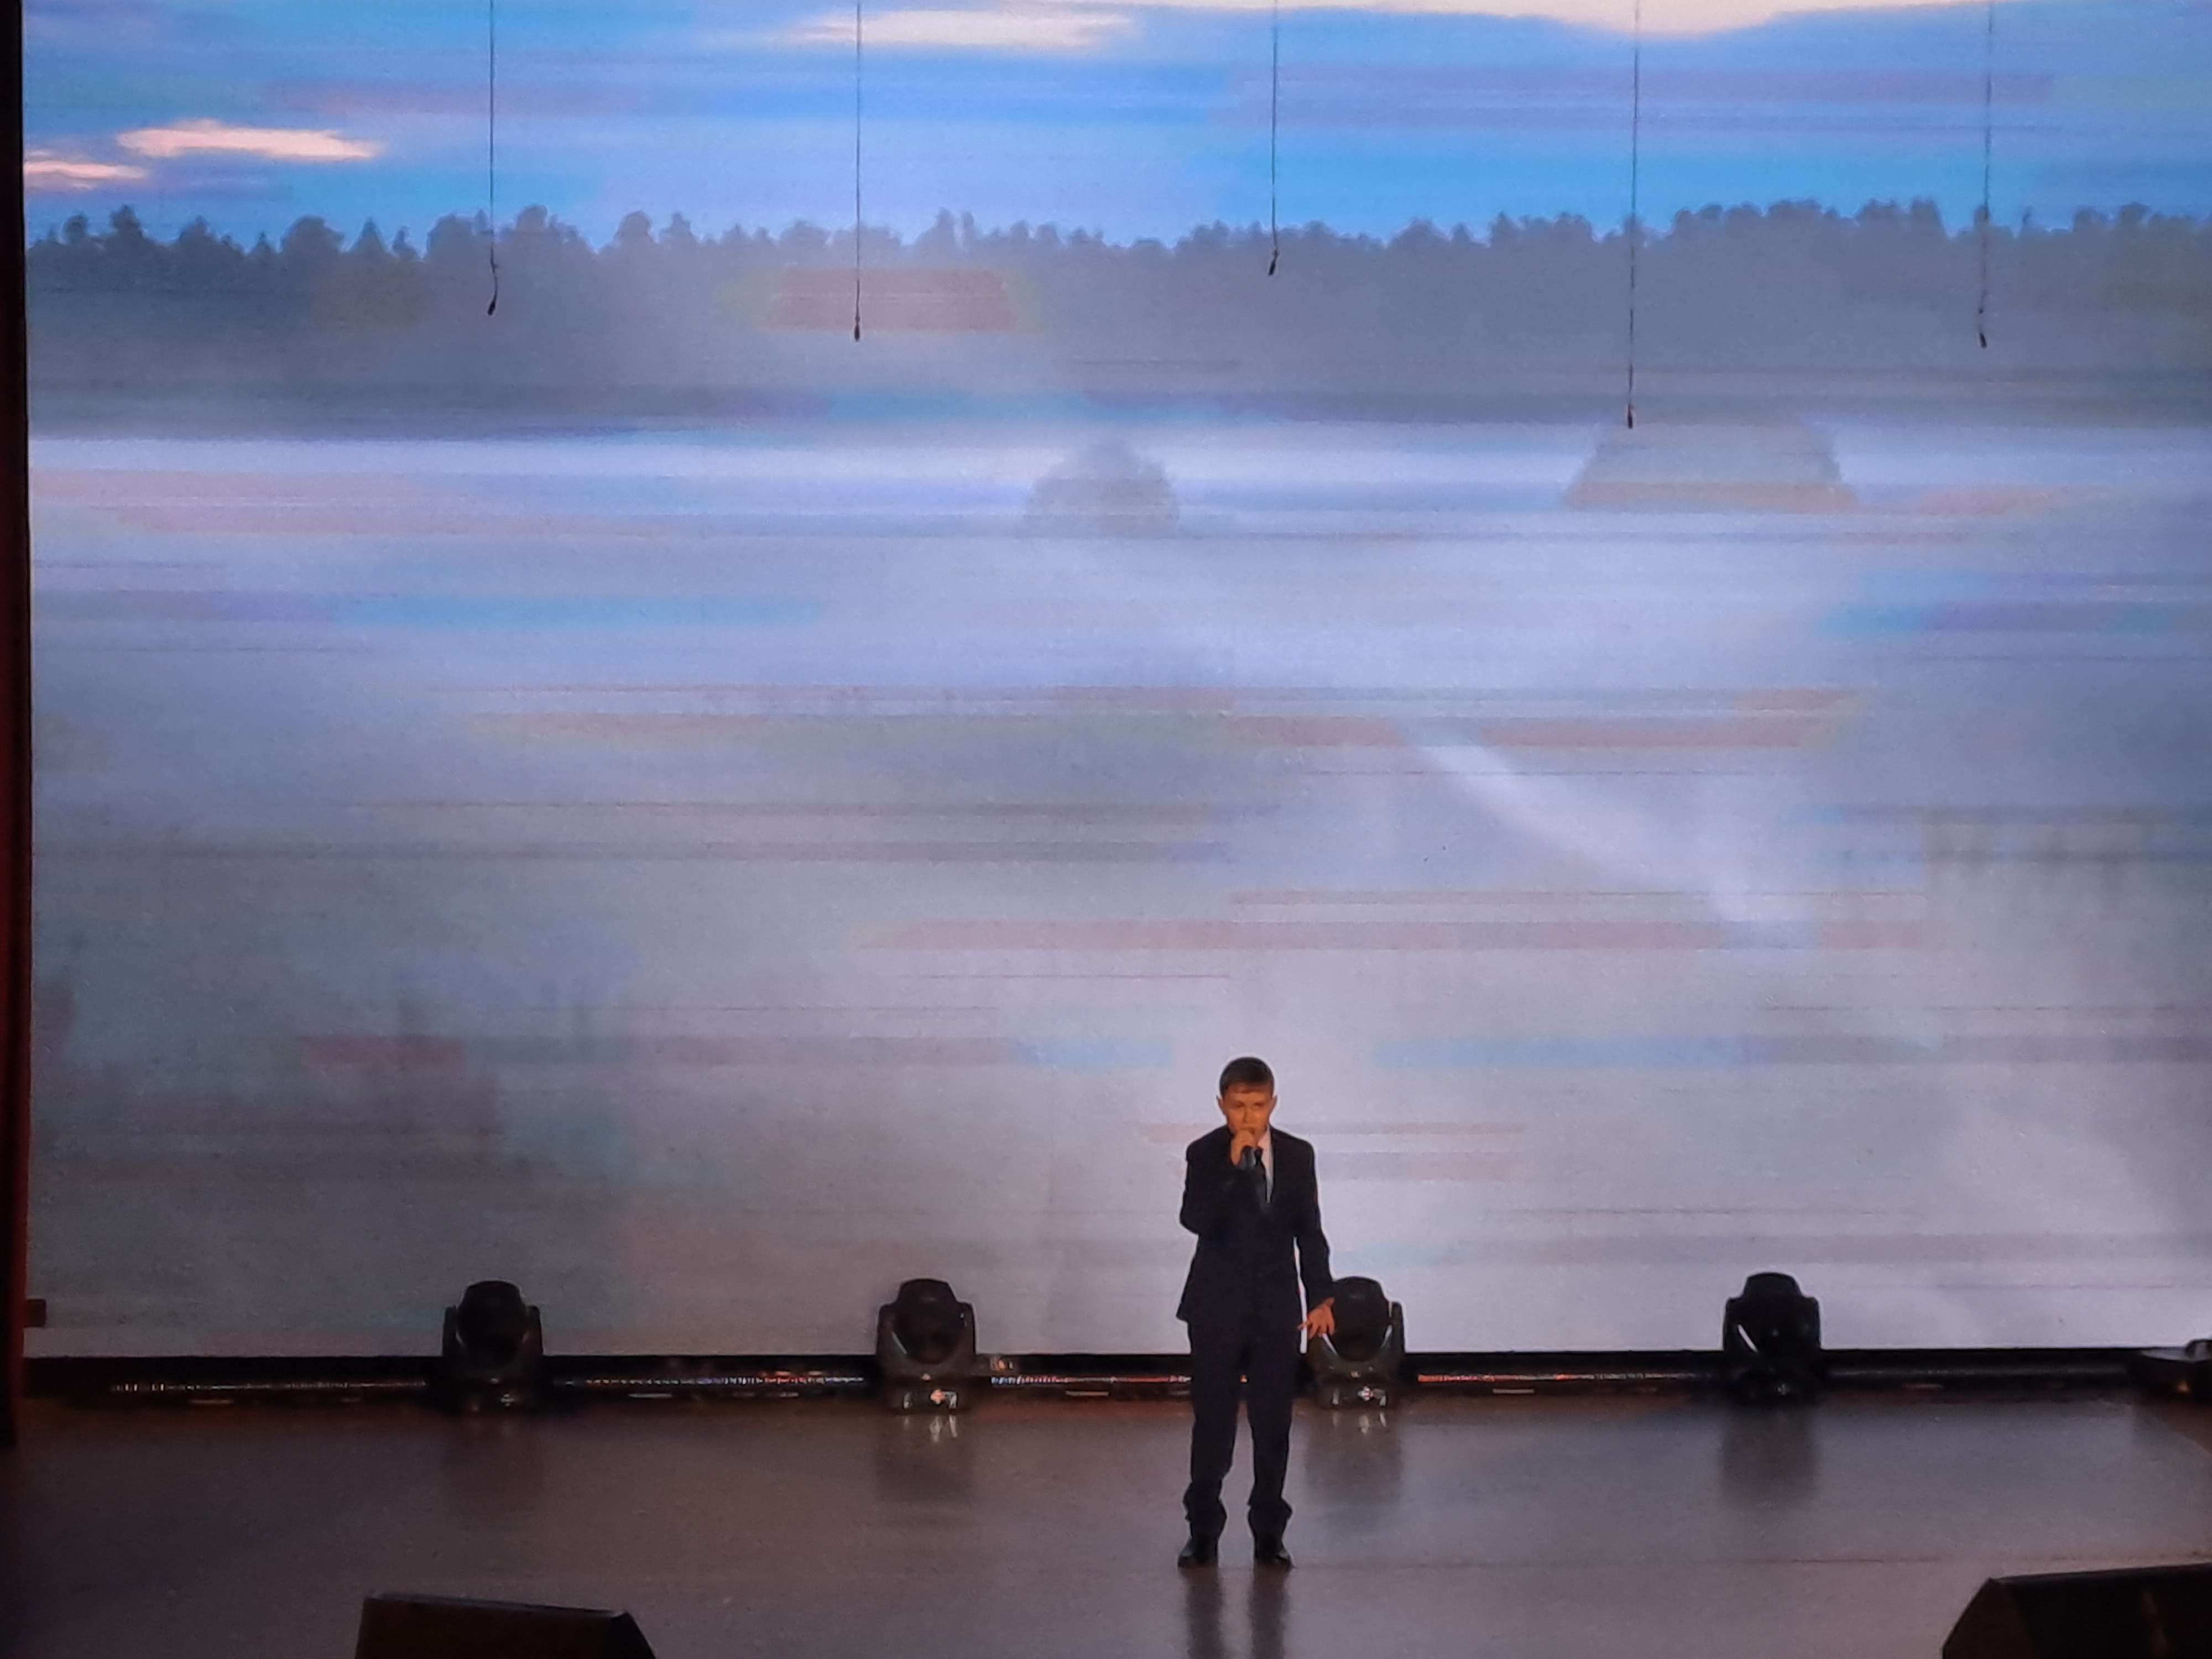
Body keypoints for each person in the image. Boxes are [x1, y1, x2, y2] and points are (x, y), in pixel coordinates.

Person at [1176, 1055, 1333, 1569]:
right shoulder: (1205, 1153)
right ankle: (1203, 1533)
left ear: (1273, 1103)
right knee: (1213, 1426)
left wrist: (1322, 1297)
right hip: (1215, 1309)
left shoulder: (1297, 1154)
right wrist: (1231, 1168)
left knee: (1273, 1426)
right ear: (1222, 1105)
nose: (1248, 1116)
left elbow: (1309, 1229)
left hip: (1276, 1311)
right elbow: (1196, 1219)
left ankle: (1269, 1534)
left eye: (1258, 1105)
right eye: (1238, 1106)